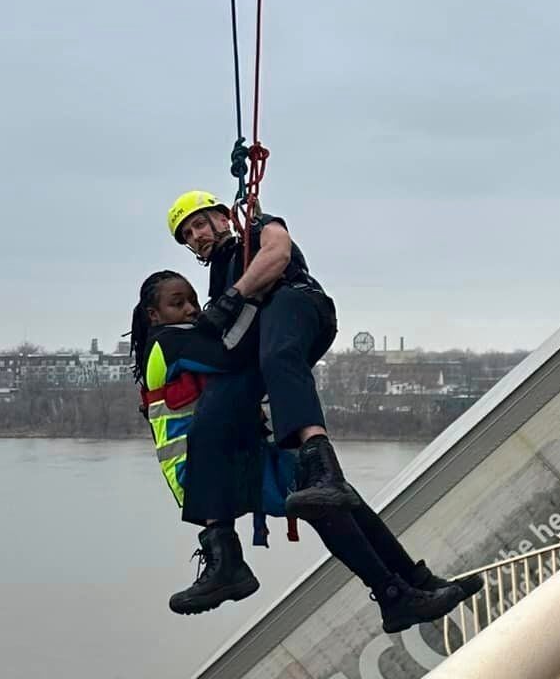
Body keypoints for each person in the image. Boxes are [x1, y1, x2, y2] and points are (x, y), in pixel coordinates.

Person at [131, 263, 482, 628]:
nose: (191, 309)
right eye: (178, 303)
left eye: (192, 301)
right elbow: (232, 355)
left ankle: (412, 587)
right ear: (155, 315)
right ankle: (395, 595)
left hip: (239, 454)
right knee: (326, 504)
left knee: (333, 498)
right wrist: (258, 296)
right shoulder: (165, 342)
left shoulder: (186, 336)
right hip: (201, 471)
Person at [167, 189, 357, 514]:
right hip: (273, 332)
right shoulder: (220, 271)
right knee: (214, 414)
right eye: (187, 234)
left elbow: (278, 252)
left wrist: (233, 297)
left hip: (300, 304)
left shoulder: (255, 229)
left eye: (199, 224)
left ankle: (322, 461)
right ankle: (220, 538)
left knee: (277, 356)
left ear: (224, 216)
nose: (196, 236)